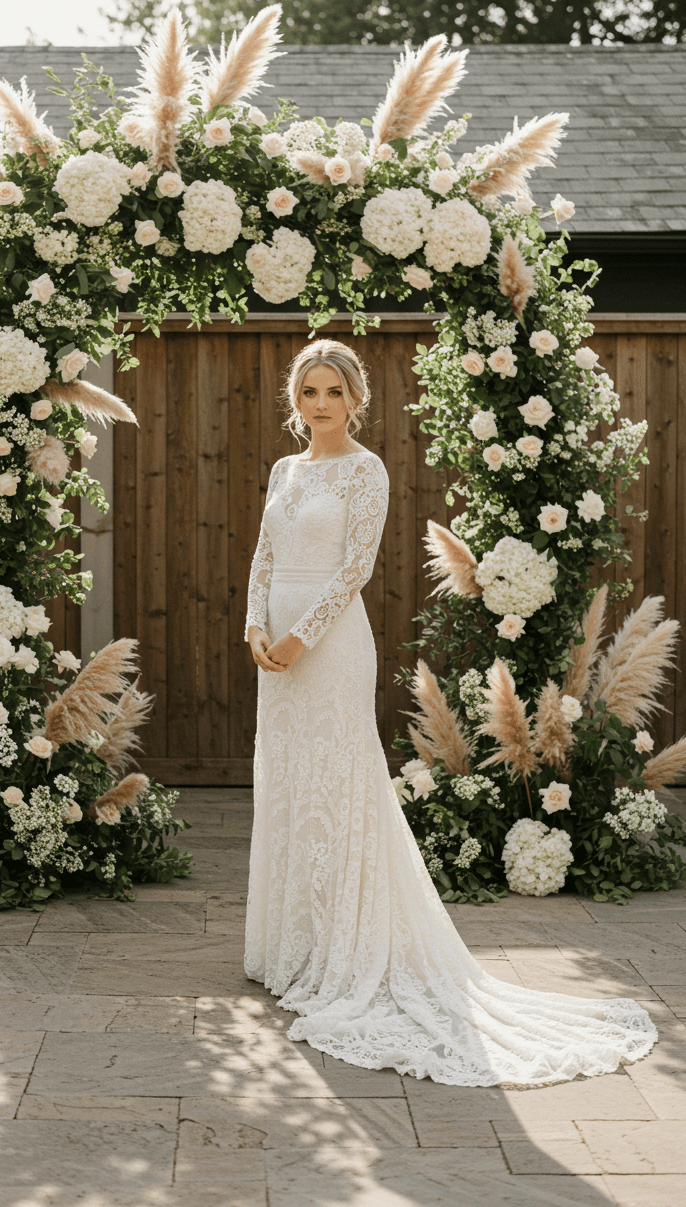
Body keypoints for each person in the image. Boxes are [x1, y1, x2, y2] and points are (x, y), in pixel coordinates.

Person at [243, 337, 657, 1087]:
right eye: (310, 393)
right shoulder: (283, 469)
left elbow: (355, 566)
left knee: (339, 787)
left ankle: (350, 949)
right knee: (291, 786)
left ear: (354, 399)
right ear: (294, 402)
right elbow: (264, 556)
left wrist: (302, 636)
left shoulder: (365, 470)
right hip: (274, 648)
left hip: (329, 648)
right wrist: (253, 627)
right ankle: (293, 948)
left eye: (334, 392)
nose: (321, 405)